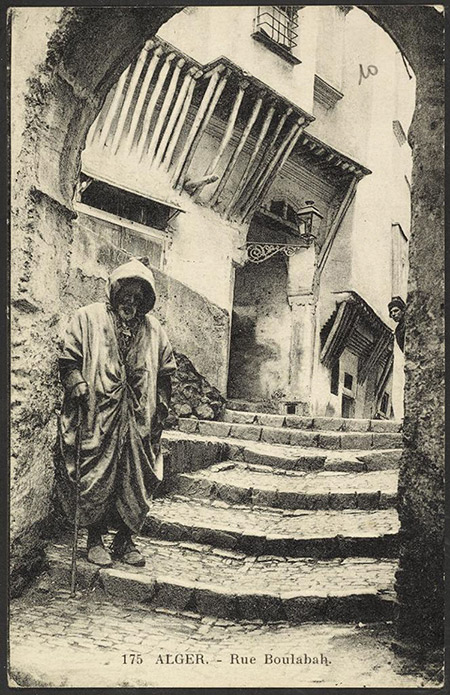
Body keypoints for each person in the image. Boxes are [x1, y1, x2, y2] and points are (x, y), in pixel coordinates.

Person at [55, 259, 176, 567]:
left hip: (138, 420)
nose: (130, 301)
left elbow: (164, 375)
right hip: (97, 415)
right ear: (114, 291)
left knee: (135, 479)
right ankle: (94, 540)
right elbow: (68, 361)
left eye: (138, 297)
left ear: (145, 300)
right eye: (126, 294)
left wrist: (160, 407)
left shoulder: (155, 331)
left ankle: (125, 540)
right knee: (96, 475)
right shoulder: (88, 318)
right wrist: (77, 382)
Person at [388, 296, 406, 419]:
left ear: (403, 311)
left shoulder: (406, 326)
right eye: (391, 312)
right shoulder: (399, 328)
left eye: (396, 311)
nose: (393, 314)